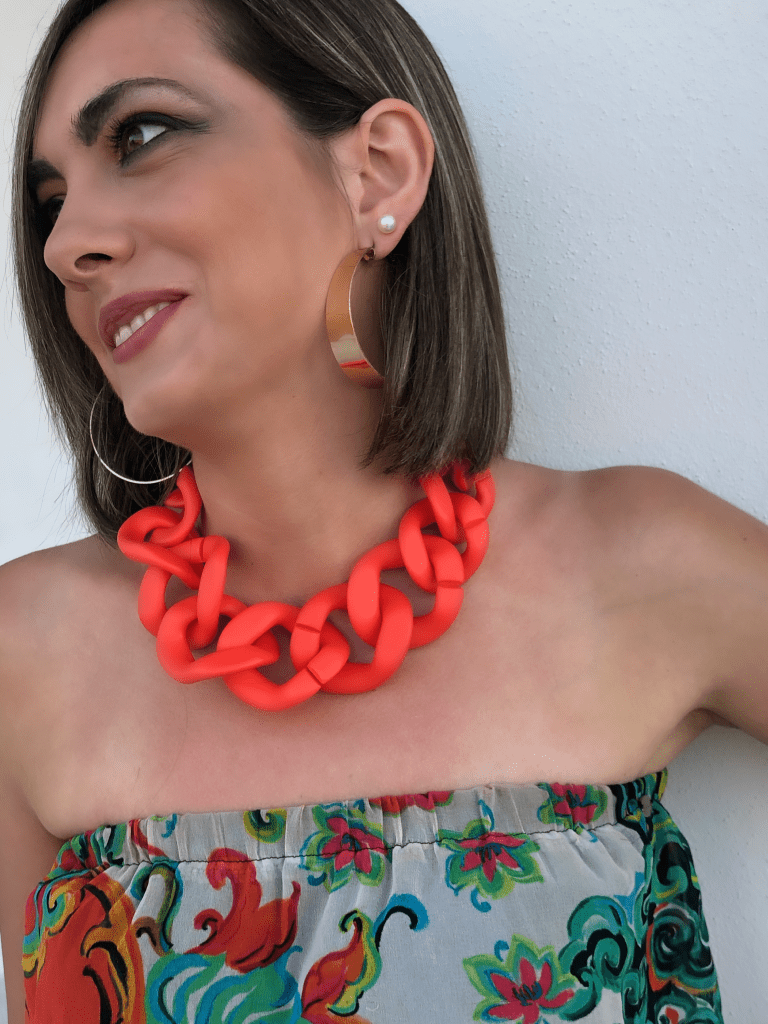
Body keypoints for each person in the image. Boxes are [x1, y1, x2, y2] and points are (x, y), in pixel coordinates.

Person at [0, 0, 765, 1021]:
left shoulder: (643, 567)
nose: (66, 246)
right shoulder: (22, 657)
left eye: (141, 136)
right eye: (49, 202)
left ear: (379, 174)